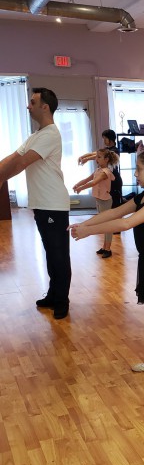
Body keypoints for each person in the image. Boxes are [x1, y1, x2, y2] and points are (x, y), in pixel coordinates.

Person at [69, 148, 144, 387]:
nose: (136, 174)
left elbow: (125, 223)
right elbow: (114, 212)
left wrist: (88, 232)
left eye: (139, 169)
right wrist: (84, 223)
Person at [0, 87, 71, 320]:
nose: (28, 106)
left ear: (45, 107)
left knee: (59, 254)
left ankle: (62, 300)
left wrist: (1, 178)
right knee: (51, 253)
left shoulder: (51, 134)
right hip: (42, 203)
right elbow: (13, 157)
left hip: (53, 204)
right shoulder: (37, 135)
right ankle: (53, 294)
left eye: (32, 102)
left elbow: (22, 163)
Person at [73, 148, 119, 258]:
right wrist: (78, 184)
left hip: (105, 201)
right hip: (99, 200)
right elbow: (88, 179)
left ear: (106, 159)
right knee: (103, 224)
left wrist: (81, 188)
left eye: (99, 157)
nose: (96, 159)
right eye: (96, 157)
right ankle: (104, 247)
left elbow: (93, 182)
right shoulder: (98, 170)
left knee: (107, 225)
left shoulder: (105, 172)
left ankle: (108, 249)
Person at [79, 129, 123, 208]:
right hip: (109, 181)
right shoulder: (107, 150)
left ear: (110, 138)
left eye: (105, 138)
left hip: (114, 181)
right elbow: (95, 153)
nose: (104, 140)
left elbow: (96, 155)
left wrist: (86, 159)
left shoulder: (114, 151)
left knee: (114, 207)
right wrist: (83, 157)